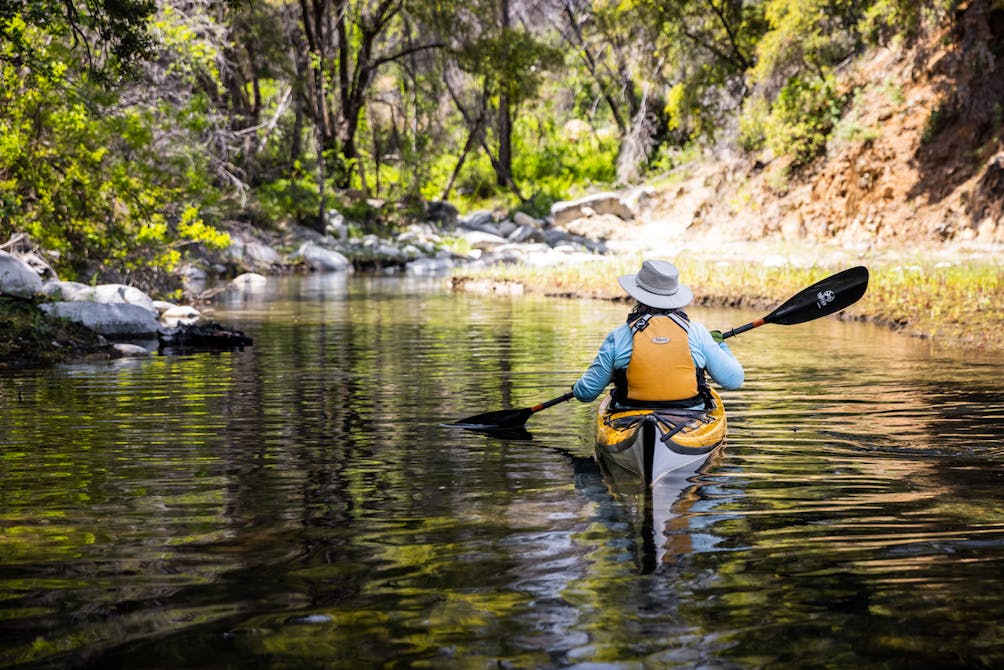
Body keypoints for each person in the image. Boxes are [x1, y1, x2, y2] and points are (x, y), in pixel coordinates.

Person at [572, 259, 743, 409]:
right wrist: (720, 344)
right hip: (689, 419)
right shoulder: (698, 333)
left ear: (638, 297)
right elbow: (734, 380)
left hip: (629, 416)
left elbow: (586, 393)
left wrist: (576, 388)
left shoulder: (618, 336)